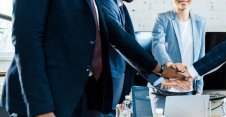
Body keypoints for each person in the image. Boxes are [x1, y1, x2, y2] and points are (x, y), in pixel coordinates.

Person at [1, 0, 190, 116]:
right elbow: (27, 40)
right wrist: (40, 109)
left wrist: (160, 73)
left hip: (80, 98)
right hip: (43, 101)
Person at [150, 0, 206, 110]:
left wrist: (199, 89)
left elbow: (201, 55)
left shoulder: (200, 22)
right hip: (162, 89)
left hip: (188, 89)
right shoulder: (162, 18)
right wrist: (169, 64)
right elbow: (157, 45)